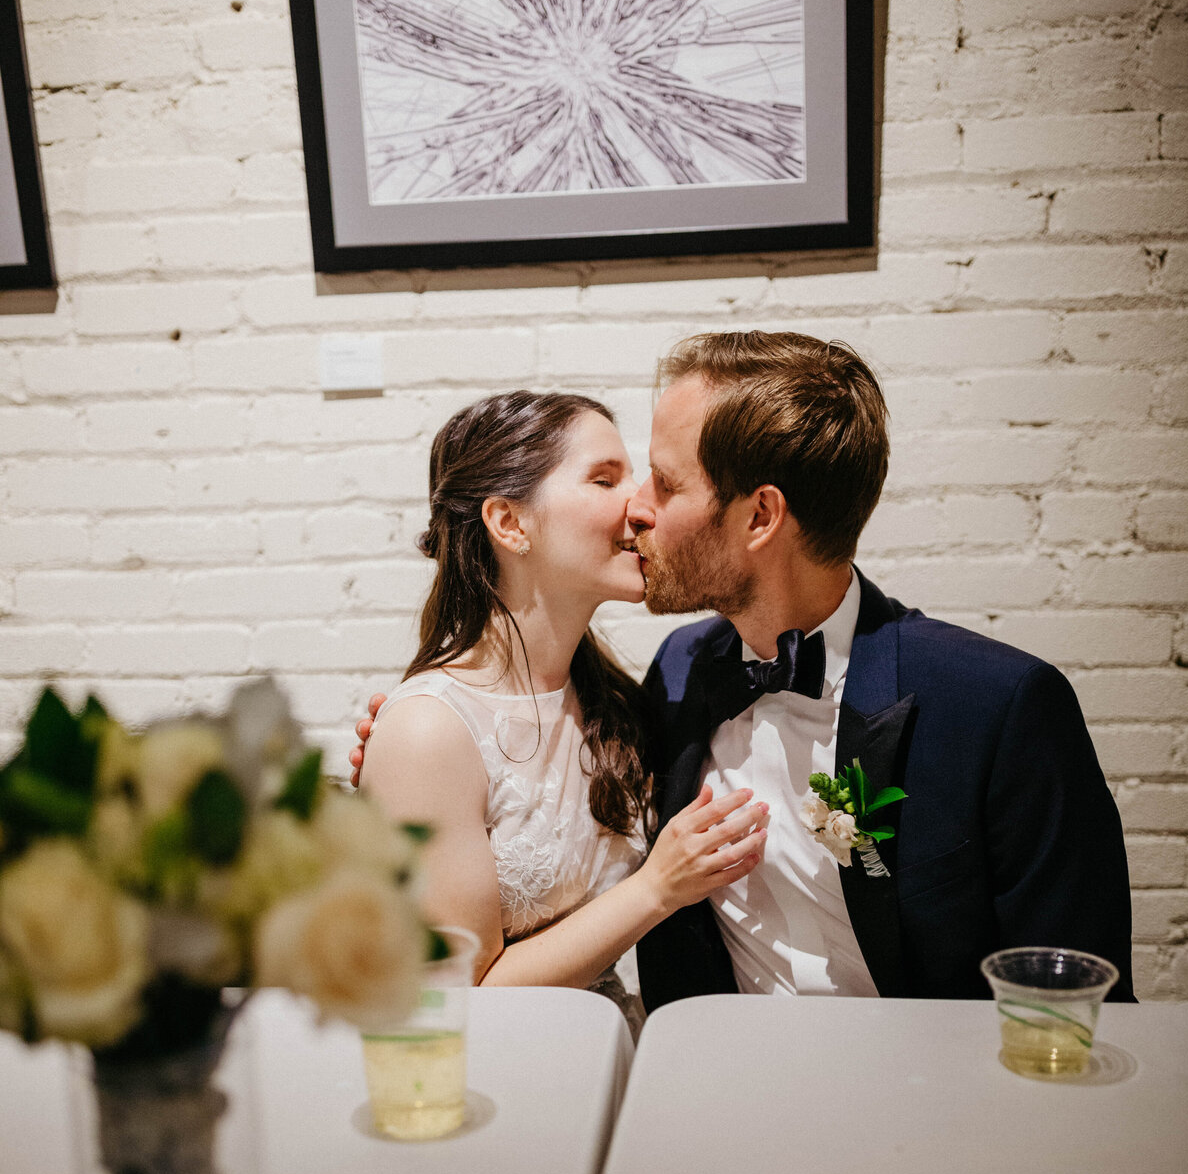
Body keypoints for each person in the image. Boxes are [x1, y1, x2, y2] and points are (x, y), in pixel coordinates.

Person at [623, 331, 1135, 1011]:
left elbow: (1074, 999)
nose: (635, 505)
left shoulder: (1002, 707)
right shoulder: (680, 669)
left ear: (761, 516)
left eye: (664, 481)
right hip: (723, 1080)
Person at [354, 388, 768, 1031]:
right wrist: (655, 889)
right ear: (510, 524)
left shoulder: (620, 702)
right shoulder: (428, 730)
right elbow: (458, 997)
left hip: (616, 1051)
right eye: (605, 478)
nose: (640, 504)